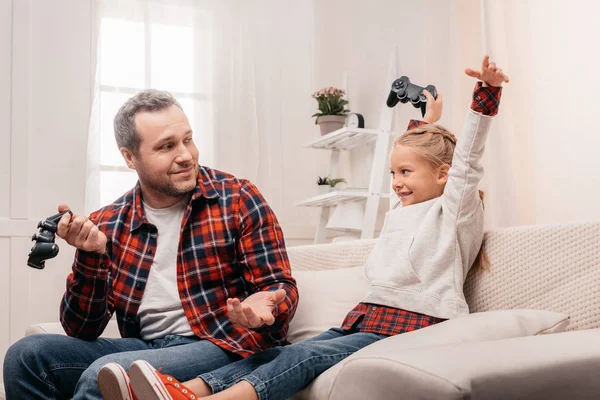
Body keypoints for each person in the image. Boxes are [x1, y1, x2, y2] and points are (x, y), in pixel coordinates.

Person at [103, 55, 509, 400]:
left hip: (418, 323)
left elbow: (466, 159)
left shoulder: (454, 211)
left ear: (444, 176)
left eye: (405, 173)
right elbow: (419, 155)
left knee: (304, 358)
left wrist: (485, 96)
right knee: (276, 354)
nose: (397, 181)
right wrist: (426, 122)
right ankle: (183, 388)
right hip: (368, 318)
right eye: (392, 173)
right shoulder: (407, 208)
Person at [2, 90, 298, 400]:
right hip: (146, 348)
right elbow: (81, 329)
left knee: (105, 374)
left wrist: (266, 304)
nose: (185, 155)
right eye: (167, 146)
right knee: (26, 355)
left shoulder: (237, 198)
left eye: (188, 140)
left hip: (220, 343)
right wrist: (91, 256)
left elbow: (279, 286)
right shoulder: (110, 221)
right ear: (130, 157)